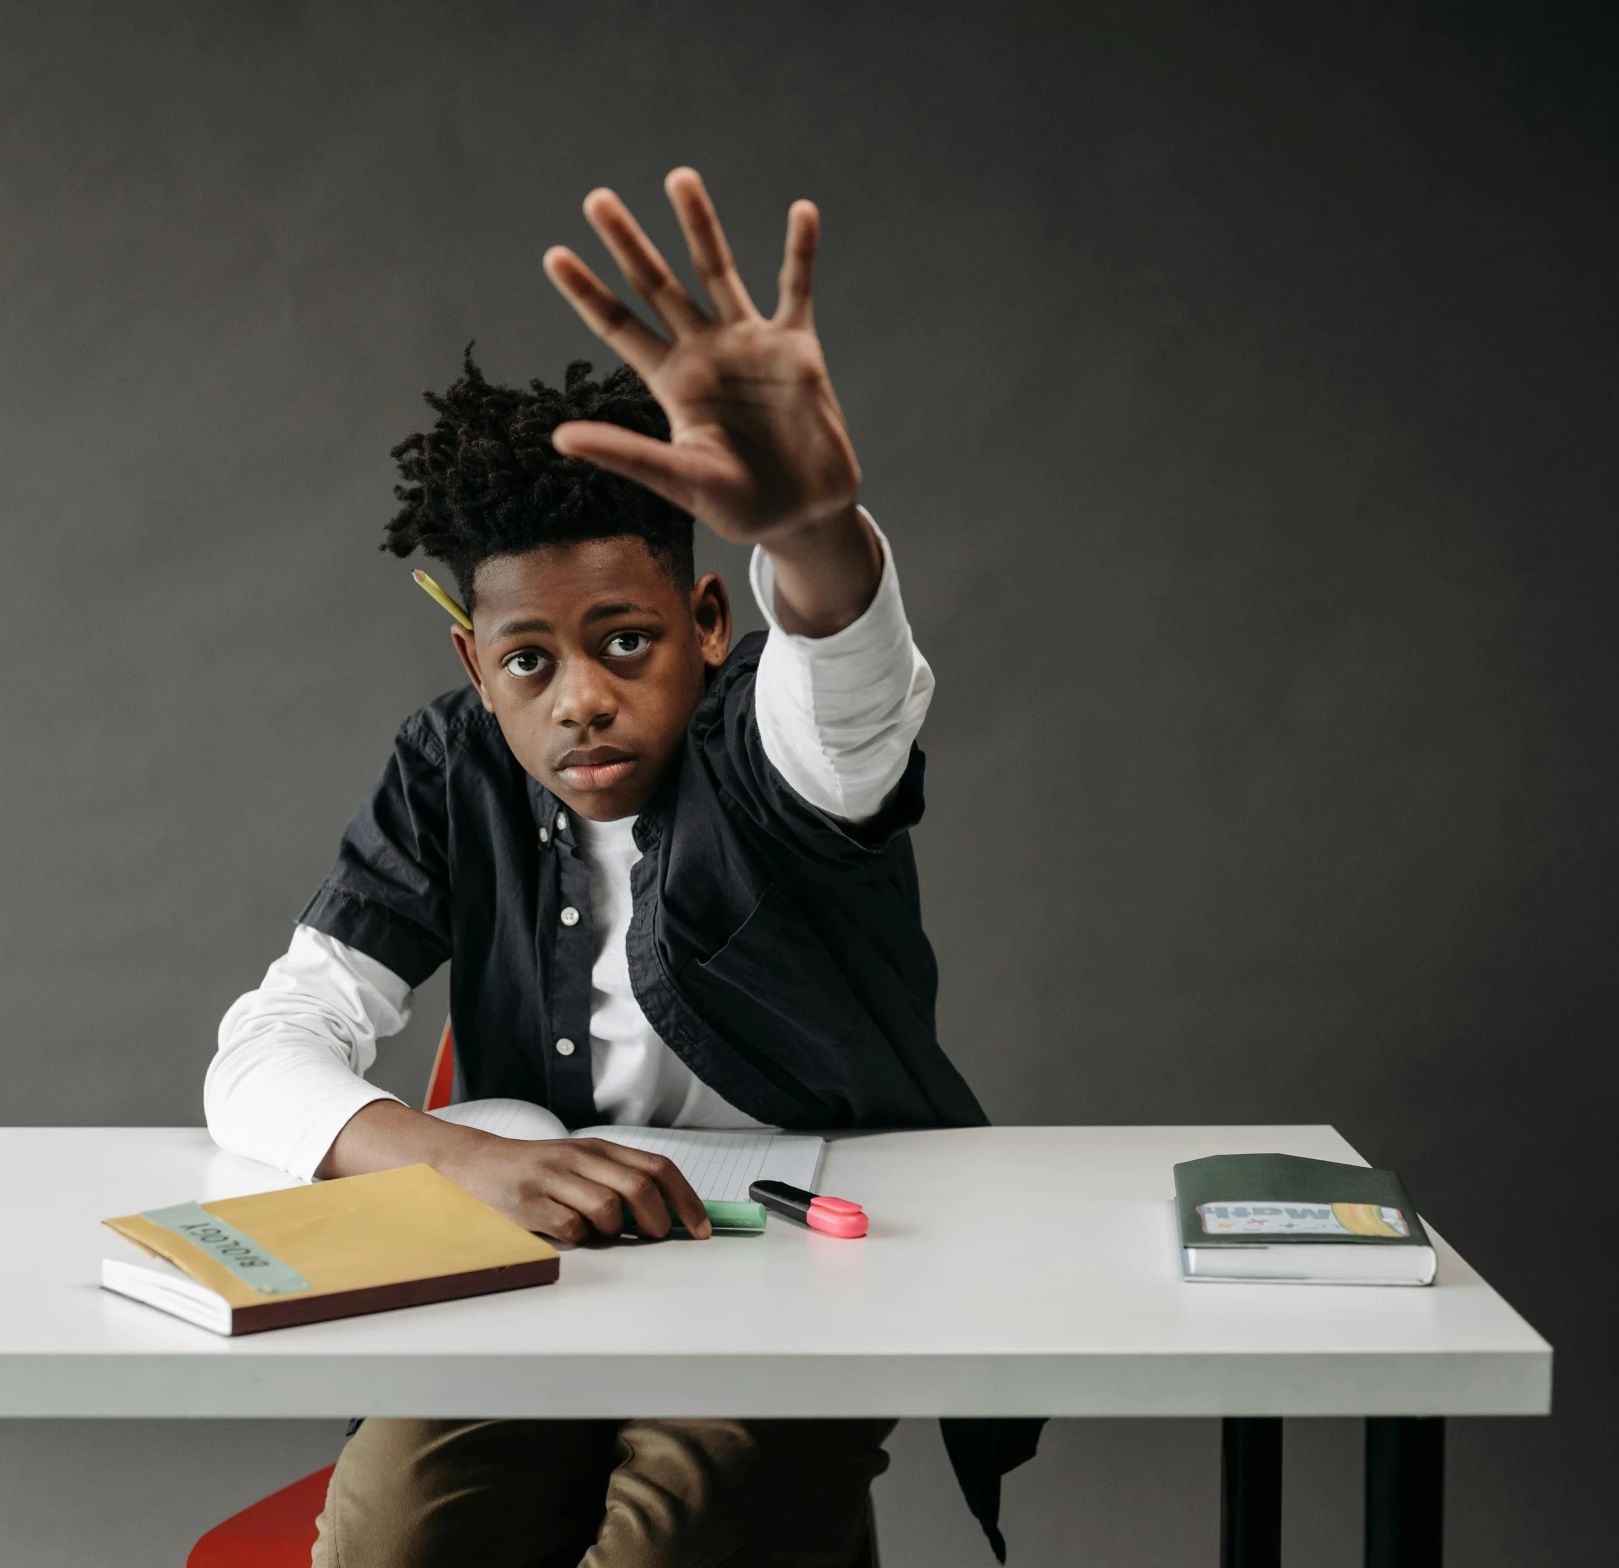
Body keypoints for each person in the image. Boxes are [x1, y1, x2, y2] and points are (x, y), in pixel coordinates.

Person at [205, 168, 1035, 1567]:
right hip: (528, 1255)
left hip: (789, 1262)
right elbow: (265, 1049)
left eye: (627, 641)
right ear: (477, 666)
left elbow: (854, 692)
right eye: (531, 661)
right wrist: (462, 1166)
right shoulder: (451, 768)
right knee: (395, 1538)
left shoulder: (771, 748)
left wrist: (813, 527)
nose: (580, 697)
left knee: (677, 1544)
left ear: (708, 619)